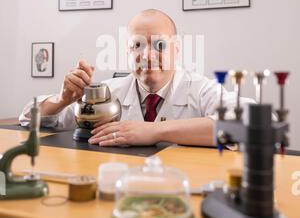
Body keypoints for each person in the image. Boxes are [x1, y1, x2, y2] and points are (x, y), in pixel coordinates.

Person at [19, 9, 254, 147]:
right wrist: (61, 100)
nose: (148, 54)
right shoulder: (109, 92)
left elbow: (254, 123)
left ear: (177, 49)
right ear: (128, 51)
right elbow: (29, 118)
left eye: (160, 45)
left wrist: (155, 131)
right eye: (138, 45)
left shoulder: (199, 89)